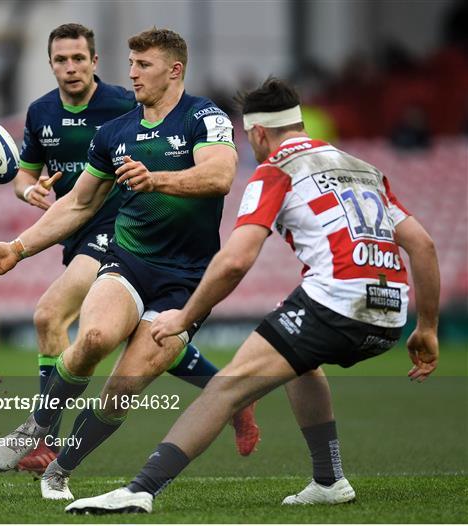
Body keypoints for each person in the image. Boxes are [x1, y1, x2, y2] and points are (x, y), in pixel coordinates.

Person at [63, 78, 440, 515]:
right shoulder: (364, 168)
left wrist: (184, 317)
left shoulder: (274, 170)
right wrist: (427, 327)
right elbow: (423, 245)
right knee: (302, 363)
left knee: (226, 390)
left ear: (258, 133)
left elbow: (235, 261)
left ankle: (140, 489)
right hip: (391, 312)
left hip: (339, 299)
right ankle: (328, 479)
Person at [0, 27, 259, 500]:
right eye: (131, 63)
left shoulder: (204, 116)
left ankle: (59, 470)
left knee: (122, 388)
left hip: (186, 280)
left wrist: (157, 179)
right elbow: (79, 205)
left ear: (174, 69)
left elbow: (221, 174)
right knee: (95, 338)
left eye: (144, 65)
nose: (132, 73)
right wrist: (18, 248)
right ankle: (41, 423)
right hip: (127, 260)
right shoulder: (114, 133)